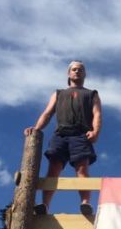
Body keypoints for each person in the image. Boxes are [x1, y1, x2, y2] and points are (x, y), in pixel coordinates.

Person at [24, 60, 102, 215]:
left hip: (81, 134)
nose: (77, 71)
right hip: (61, 134)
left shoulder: (92, 94)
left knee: (82, 168)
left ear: (85, 74)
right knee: (54, 168)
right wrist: (37, 128)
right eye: (74, 69)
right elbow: (47, 113)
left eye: (80, 69)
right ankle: (45, 205)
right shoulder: (59, 93)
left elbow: (97, 114)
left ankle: (85, 203)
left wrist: (95, 132)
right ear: (69, 73)